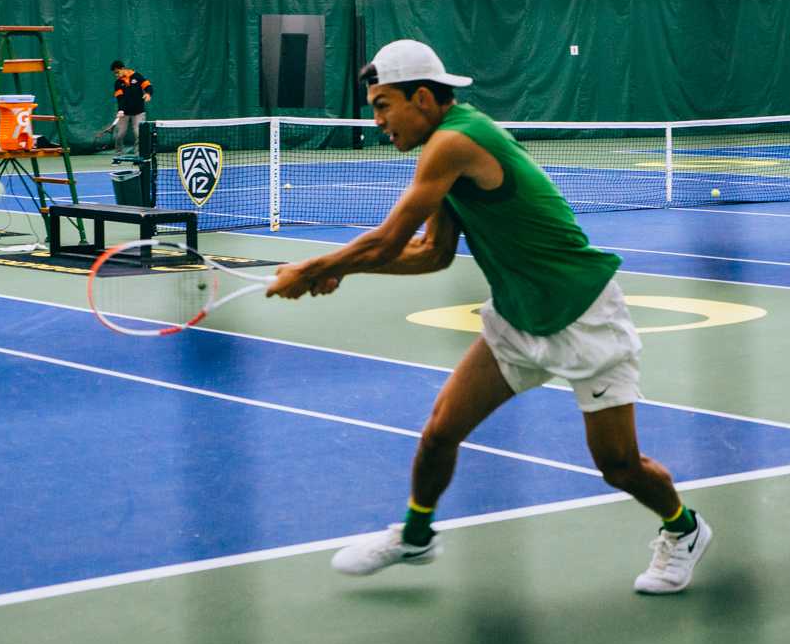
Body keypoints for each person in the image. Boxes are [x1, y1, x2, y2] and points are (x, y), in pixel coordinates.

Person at [266, 40, 712, 594]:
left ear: (423, 98)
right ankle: (416, 534)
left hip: (583, 315)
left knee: (618, 466)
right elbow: (432, 253)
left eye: (383, 106)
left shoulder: (454, 143)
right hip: (517, 319)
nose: (378, 121)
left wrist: (310, 268)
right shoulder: (444, 148)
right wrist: (341, 270)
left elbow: (387, 240)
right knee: (439, 433)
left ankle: (684, 530)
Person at [109, 60, 153, 155]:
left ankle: (138, 156)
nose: (116, 75)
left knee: (139, 135)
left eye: (117, 72)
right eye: (114, 73)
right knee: (120, 135)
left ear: (123, 69)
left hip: (138, 112)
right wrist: (121, 110)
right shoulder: (117, 83)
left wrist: (148, 93)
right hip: (124, 113)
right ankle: (118, 155)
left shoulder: (137, 76)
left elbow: (148, 86)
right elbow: (120, 98)